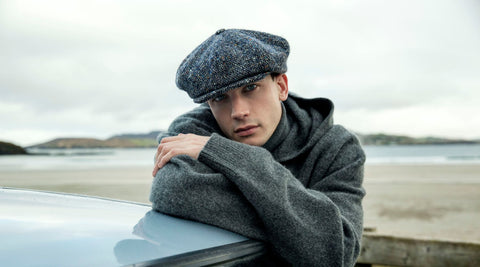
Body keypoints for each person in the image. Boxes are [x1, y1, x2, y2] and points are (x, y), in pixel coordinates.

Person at [150, 29, 365, 266]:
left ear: (281, 86)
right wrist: (301, 230)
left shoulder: (335, 146)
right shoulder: (192, 130)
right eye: (220, 98)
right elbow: (173, 191)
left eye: (251, 88)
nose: (238, 111)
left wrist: (230, 155)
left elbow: (336, 254)